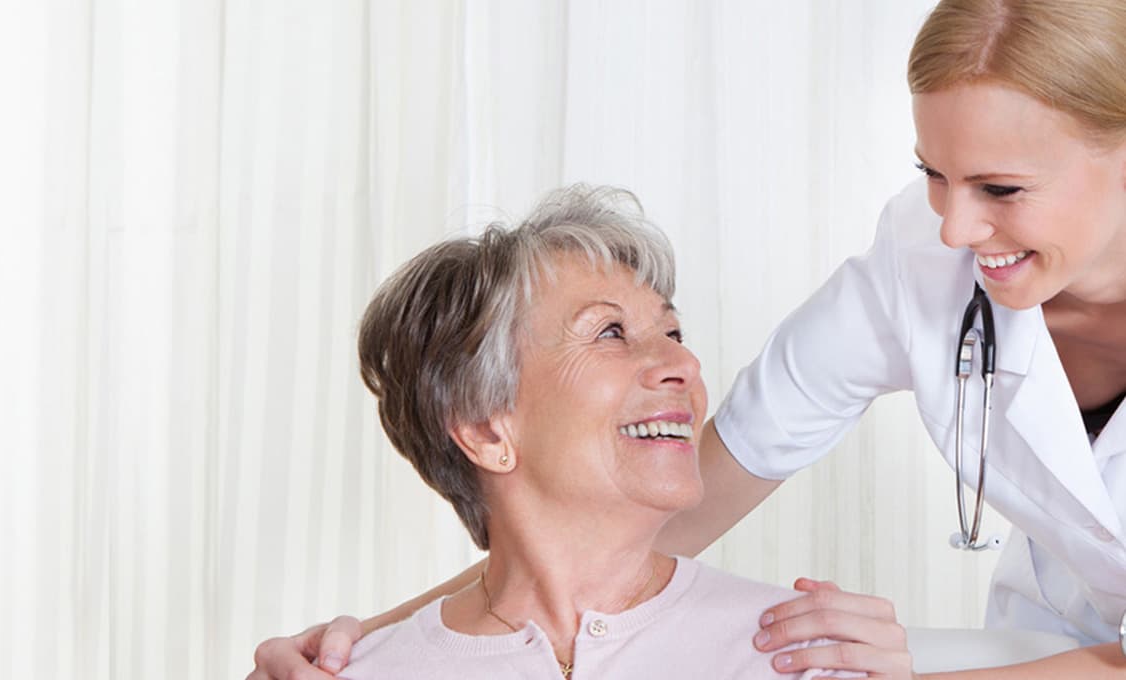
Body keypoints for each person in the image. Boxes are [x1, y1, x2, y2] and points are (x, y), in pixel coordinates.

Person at [253, 0, 1126, 677]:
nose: (954, 229)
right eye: (934, 175)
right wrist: (364, 646)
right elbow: (631, 524)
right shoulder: (916, 264)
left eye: (1003, 189)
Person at [319, 184, 865, 678]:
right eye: (610, 331)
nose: (684, 362)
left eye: (673, 330)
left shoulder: (797, 652)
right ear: (487, 430)